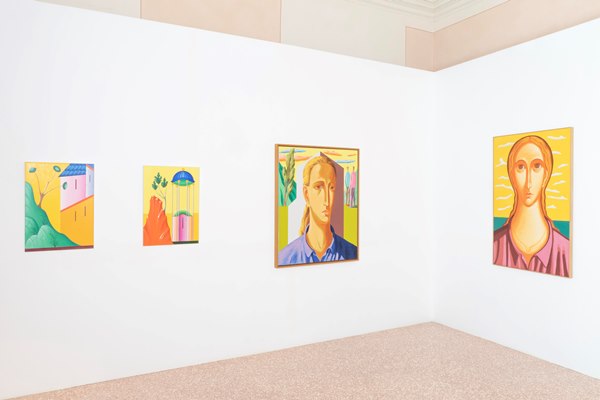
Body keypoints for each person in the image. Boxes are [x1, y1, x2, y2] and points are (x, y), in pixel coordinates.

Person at [493, 135, 570, 277]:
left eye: (537, 166)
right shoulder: (495, 245)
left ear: (546, 175)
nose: (528, 182)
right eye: (521, 167)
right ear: (512, 176)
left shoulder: (565, 251)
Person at [278, 156, 357, 266]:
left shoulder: (352, 252)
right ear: (306, 195)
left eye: (331, 187)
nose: (327, 200)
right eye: (318, 187)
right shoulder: (285, 258)